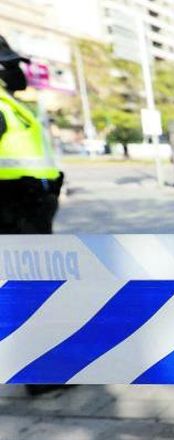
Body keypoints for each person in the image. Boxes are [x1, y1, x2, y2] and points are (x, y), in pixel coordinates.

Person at [0, 36, 65, 398]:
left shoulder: (9, 102)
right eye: (9, 63)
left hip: (26, 210)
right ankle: (39, 372)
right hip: (12, 212)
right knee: (27, 292)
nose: (17, 71)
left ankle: (43, 367)